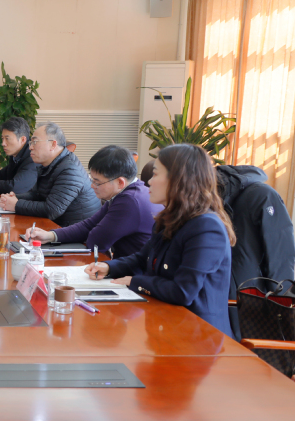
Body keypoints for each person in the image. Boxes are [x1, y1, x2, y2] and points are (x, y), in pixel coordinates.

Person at [85, 144, 236, 337]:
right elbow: (142, 258)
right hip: (166, 322)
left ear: (178, 180)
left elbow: (183, 292)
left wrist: (133, 281)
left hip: (198, 335)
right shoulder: (169, 217)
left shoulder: (206, 227)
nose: (148, 181)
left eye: (155, 174)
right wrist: (109, 267)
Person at [25, 145, 162, 258]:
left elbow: (96, 242)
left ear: (120, 182)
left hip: (132, 275)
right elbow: (89, 225)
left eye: (97, 182)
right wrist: (50, 235)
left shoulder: (130, 202)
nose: (92, 186)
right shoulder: (125, 193)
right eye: (92, 180)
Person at [216, 165, 295, 338]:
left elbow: (279, 255)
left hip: (246, 297)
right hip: (241, 297)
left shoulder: (261, 195)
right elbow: (280, 256)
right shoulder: (212, 197)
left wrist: (281, 302)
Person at [0, 122, 100, 226]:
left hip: (76, 232)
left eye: (35, 142)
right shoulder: (48, 164)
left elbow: (52, 210)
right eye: (31, 143)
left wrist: (16, 204)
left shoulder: (70, 170)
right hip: (57, 226)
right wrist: (15, 197)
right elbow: (37, 195)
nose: (30, 147)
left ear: (53, 145)